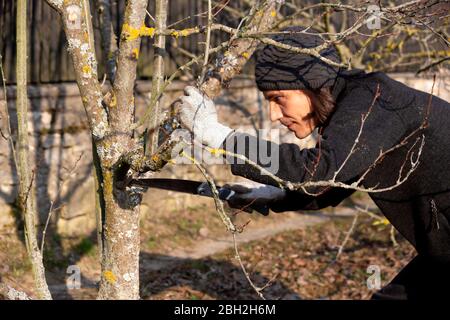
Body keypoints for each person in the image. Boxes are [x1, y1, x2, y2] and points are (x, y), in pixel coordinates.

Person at [178, 26, 450, 300]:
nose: (273, 115)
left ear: (312, 85)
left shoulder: (374, 103)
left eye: (278, 99)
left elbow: (316, 171)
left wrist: (221, 137)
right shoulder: (359, 103)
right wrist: (275, 195)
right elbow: (331, 183)